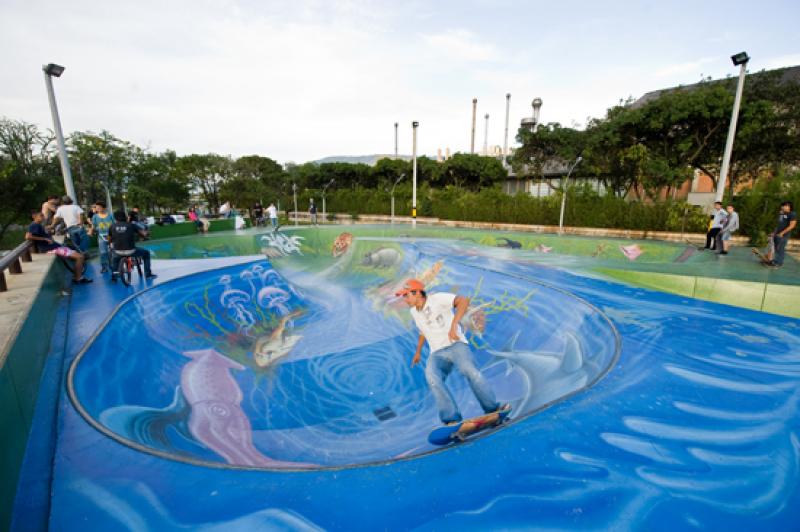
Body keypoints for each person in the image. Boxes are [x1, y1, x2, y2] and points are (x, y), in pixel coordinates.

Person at [397, 279, 504, 426]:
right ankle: (451, 420)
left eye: (406, 295)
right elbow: (423, 332)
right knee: (432, 377)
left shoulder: (438, 299)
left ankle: (493, 409)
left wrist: (454, 325)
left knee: (469, 370)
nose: (405, 299)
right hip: (437, 353)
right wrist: (418, 352)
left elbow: (463, 301)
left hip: (456, 345)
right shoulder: (414, 312)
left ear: (417, 293)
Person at [26, 211, 91, 283]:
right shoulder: (34, 225)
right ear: (34, 216)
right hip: (51, 248)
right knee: (80, 257)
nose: (43, 217)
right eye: (41, 216)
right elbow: (28, 236)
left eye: (43, 215)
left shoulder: (38, 225)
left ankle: (77, 276)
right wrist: (44, 239)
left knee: (78, 254)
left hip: (54, 247)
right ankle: (78, 278)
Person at [108, 210, 157, 281]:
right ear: (125, 216)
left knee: (115, 260)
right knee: (146, 253)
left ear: (115, 218)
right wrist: (146, 235)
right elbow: (143, 234)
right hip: (131, 251)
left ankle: (114, 277)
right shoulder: (131, 225)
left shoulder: (112, 226)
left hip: (118, 251)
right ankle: (148, 274)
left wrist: (110, 243)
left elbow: (109, 238)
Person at [764, 201, 797, 268]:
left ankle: (778, 263)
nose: (782, 207)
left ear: (789, 206)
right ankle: (773, 261)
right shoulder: (781, 214)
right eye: (782, 206)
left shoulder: (792, 214)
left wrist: (782, 233)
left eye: (784, 206)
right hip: (777, 234)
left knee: (780, 249)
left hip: (783, 235)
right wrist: (774, 233)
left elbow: (792, 225)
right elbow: (778, 225)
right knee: (775, 248)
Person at [89, 200, 114, 273]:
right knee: (103, 252)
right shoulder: (95, 217)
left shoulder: (110, 216)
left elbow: (114, 224)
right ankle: (104, 267)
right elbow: (93, 226)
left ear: (104, 208)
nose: (97, 208)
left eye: (99, 207)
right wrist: (90, 231)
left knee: (112, 251)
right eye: (96, 207)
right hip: (101, 237)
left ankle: (114, 265)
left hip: (111, 236)